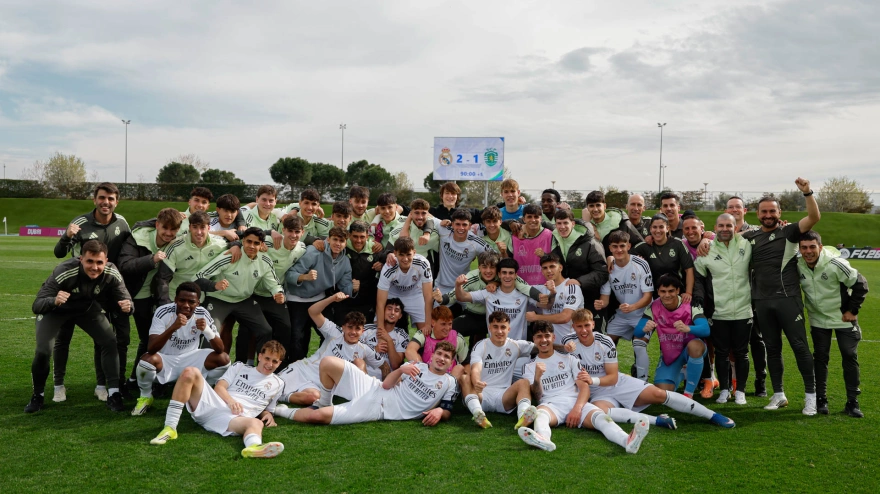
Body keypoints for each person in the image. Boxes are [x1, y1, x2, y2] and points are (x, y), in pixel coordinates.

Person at [564, 309, 735, 428]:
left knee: (659, 394)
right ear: (573, 327)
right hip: (595, 393)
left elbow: (613, 377)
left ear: (593, 324)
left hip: (615, 383)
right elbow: (555, 348)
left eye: (586, 325)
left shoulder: (605, 342)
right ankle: (657, 421)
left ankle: (712, 415)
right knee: (600, 411)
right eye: (579, 326)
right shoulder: (568, 342)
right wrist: (564, 348)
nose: (583, 330)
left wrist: (591, 379)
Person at [741, 178, 820, 414]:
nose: (768, 215)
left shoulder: (790, 232)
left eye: (772, 211)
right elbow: (722, 238)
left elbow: (814, 218)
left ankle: (811, 397)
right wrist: (706, 240)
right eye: (764, 211)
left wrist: (807, 193)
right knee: (772, 349)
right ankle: (779, 394)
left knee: (799, 347)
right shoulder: (749, 237)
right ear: (757, 213)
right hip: (762, 302)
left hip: (788, 300)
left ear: (779, 212)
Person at [25, 240, 133, 413]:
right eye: (90, 261)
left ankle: (114, 393)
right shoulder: (65, 270)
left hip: (86, 309)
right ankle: (37, 395)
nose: (95, 267)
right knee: (43, 349)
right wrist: (53, 300)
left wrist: (129, 306)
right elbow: (37, 305)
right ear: (81, 259)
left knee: (109, 341)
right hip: (57, 310)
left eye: (99, 262)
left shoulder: (112, 271)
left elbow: (126, 298)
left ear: (106, 261)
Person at [516, 321, 650, 454]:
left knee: (602, 418)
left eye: (547, 335)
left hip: (576, 401)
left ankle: (627, 440)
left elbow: (584, 388)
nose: (543, 340)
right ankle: (543, 439)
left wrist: (577, 409)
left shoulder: (569, 358)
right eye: (539, 336)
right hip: (551, 405)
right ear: (534, 339)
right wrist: (537, 378)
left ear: (553, 337)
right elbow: (537, 396)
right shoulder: (529, 366)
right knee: (540, 415)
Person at [51, 182, 131, 403]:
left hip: (105, 288)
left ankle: (100, 385)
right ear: (94, 199)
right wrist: (66, 236)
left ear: (117, 201)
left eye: (111, 199)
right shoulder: (80, 223)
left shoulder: (122, 223)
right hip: (74, 288)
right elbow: (59, 253)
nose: (106, 202)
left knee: (103, 338)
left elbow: (129, 250)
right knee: (63, 338)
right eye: (102, 198)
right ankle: (59, 385)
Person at [149, 340, 287, 459]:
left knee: (256, 423)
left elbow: (269, 408)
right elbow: (219, 387)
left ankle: (253, 448)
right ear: (260, 356)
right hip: (212, 404)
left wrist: (268, 414)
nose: (270, 364)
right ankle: (170, 427)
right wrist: (231, 401)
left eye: (275, 361)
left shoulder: (279, 383)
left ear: (279, 363)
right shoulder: (240, 367)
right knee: (190, 371)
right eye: (267, 358)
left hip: (235, 418)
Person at [273, 342, 458, 427]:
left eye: (447, 357)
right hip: (374, 387)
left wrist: (440, 411)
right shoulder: (416, 366)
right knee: (328, 362)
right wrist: (401, 370)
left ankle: (278, 410)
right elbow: (386, 385)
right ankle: (324, 401)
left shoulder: (449, 383)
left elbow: (448, 410)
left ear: (451, 363)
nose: (442, 359)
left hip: (378, 410)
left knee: (318, 417)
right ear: (432, 355)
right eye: (439, 354)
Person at [132, 282, 230, 416]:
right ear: (175, 300)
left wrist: (207, 330)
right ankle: (146, 396)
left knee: (223, 359)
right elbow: (152, 347)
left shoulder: (203, 313)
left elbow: (220, 348)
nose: (186, 305)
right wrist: (173, 327)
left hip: (191, 360)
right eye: (182, 300)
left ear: (198, 303)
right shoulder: (163, 312)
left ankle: (201, 390)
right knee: (146, 361)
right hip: (166, 360)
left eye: (191, 302)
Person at [797, 231, 868, 418]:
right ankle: (821, 399)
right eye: (804, 247)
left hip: (842, 318)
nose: (808, 251)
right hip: (818, 319)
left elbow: (861, 284)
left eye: (812, 247)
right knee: (820, 357)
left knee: (849, 354)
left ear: (820, 247)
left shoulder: (836, 264)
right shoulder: (797, 265)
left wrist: (852, 311)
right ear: (799, 249)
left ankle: (852, 401)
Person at [277, 292, 387, 406]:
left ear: (362, 331)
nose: (353, 332)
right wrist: (332, 298)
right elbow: (312, 311)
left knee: (313, 397)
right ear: (343, 327)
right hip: (303, 370)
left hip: (318, 384)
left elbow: (385, 366)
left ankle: (283, 397)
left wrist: (386, 387)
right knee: (272, 388)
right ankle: (278, 394)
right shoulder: (334, 332)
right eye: (350, 327)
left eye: (357, 329)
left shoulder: (364, 349)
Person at [195, 227, 284, 363]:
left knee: (265, 330)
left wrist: (278, 293)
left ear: (261, 245)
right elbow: (198, 276)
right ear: (243, 241)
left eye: (256, 243)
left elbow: (273, 283)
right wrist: (214, 285)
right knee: (211, 332)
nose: (252, 246)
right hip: (220, 298)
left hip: (244, 300)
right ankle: (205, 370)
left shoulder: (265, 260)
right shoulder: (229, 256)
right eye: (249, 242)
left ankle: (261, 369)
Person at [118, 208, 183, 392]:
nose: (169, 233)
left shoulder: (177, 241)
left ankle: (134, 379)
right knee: (119, 340)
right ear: (157, 225)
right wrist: (152, 259)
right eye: (165, 228)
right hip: (126, 294)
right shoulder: (138, 237)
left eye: (173, 230)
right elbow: (124, 265)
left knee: (148, 339)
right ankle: (117, 383)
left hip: (150, 297)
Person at [694, 213, 753, 405]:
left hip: (744, 310)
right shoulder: (706, 250)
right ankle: (725, 390)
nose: (725, 229)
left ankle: (740, 391)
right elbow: (698, 277)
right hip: (719, 312)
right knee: (721, 352)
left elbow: (762, 232)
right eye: (721, 225)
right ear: (715, 227)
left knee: (742, 352)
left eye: (729, 225)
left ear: (736, 227)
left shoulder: (746, 244)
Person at [634, 274, 710, 398]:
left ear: (678, 291)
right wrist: (644, 329)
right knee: (662, 392)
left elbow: (706, 329)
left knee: (695, 345)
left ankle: (688, 393)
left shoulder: (690, 304)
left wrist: (688, 328)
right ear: (658, 292)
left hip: (690, 349)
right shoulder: (654, 307)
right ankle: (682, 373)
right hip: (670, 354)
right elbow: (637, 333)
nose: (667, 295)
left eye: (671, 291)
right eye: (663, 291)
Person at [285, 226, 353, 362]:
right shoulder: (314, 252)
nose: (338, 244)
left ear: (346, 242)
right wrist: (304, 277)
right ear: (328, 239)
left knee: (330, 334)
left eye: (342, 240)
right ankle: (296, 367)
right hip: (297, 299)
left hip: (319, 299)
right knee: (298, 337)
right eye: (334, 239)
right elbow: (290, 275)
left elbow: (345, 288)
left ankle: (323, 364)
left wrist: (353, 287)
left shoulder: (345, 261)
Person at [460, 311, 537, 429]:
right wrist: (477, 383)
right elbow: (475, 369)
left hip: (504, 397)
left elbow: (543, 346)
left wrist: (564, 348)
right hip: (481, 395)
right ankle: (478, 414)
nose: (499, 331)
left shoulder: (515, 345)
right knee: (465, 377)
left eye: (503, 327)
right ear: (489, 327)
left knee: (524, 382)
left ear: (509, 329)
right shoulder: (481, 345)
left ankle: (523, 417)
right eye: (495, 327)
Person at [595, 231, 653, 381]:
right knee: (605, 342)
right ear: (610, 248)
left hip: (643, 313)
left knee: (639, 344)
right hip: (622, 314)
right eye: (615, 247)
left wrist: (633, 307)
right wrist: (601, 303)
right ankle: (607, 378)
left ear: (629, 246)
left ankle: (642, 382)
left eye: (622, 246)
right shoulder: (609, 268)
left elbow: (648, 296)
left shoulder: (641, 264)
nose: (619, 250)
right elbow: (605, 298)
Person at [725, 195, 767, 395]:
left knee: (756, 340)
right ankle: (731, 383)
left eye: (737, 207)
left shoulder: (757, 233)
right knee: (731, 344)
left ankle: (761, 380)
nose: (734, 209)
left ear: (745, 210)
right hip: (730, 297)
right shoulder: (721, 233)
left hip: (754, 294)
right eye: (730, 207)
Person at [454, 258, 544, 342]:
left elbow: (546, 305)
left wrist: (552, 294)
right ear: (499, 275)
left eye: (511, 273)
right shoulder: (489, 292)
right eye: (504, 273)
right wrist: (458, 285)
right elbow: (462, 297)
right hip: (495, 349)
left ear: (516, 275)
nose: (507, 276)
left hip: (519, 349)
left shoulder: (524, 294)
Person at [154, 211, 229, 305]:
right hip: (176, 297)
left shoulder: (219, 244)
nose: (199, 232)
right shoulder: (175, 246)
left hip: (202, 298)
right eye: (195, 227)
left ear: (208, 228)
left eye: (202, 227)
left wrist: (235, 246)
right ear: (189, 228)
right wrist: (164, 303)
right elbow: (162, 278)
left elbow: (239, 246)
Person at [550, 209, 608, 330]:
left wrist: (580, 281)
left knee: (593, 338)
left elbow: (602, 272)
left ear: (573, 223)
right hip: (567, 300)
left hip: (591, 300)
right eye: (559, 223)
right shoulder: (555, 239)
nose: (562, 227)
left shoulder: (590, 243)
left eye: (565, 223)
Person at [631, 214, 695, 303]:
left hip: (675, 295)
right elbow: (624, 257)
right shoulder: (644, 247)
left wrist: (688, 293)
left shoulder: (677, 244)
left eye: (661, 227)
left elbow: (689, 269)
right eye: (654, 227)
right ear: (650, 229)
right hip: (652, 297)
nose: (658, 231)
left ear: (667, 228)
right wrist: (611, 258)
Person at [376, 237, 434, 335]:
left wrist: (428, 324)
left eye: (408, 254)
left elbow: (428, 297)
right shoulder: (388, 268)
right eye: (401, 255)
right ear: (395, 253)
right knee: (379, 325)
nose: (405, 259)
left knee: (427, 331)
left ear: (414, 252)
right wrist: (380, 329)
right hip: (393, 294)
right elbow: (380, 303)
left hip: (415, 294)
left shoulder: (423, 263)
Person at [434, 208, 492, 301]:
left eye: (464, 225)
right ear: (452, 224)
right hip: (442, 286)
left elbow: (496, 257)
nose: (461, 228)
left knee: (468, 313)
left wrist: (494, 282)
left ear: (470, 226)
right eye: (457, 224)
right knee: (439, 314)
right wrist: (427, 233)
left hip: (465, 287)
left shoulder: (476, 242)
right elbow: (427, 216)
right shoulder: (444, 230)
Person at [336, 220, 388, 324]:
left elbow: (388, 257)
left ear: (367, 236)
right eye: (355, 236)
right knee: (341, 335)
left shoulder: (375, 250)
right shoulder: (341, 248)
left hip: (367, 303)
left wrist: (382, 264)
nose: (359, 240)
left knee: (365, 335)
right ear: (349, 235)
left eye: (362, 237)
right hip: (343, 301)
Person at [527, 253, 585, 343]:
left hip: (571, 346)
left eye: (552, 266)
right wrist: (497, 284)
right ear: (542, 271)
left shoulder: (571, 287)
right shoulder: (540, 289)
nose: (549, 270)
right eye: (545, 268)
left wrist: (536, 317)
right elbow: (517, 286)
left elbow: (565, 317)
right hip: (549, 346)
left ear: (560, 268)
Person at [405, 306, 469, 379]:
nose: (447, 328)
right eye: (443, 324)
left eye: (450, 324)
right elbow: (409, 351)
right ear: (433, 322)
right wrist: (423, 370)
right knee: (413, 361)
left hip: (448, 378)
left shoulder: (457, 338)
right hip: (426, 374)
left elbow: (466, 363)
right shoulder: (424, 333)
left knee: (459, 368)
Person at [360, 298, 410, 379]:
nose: (392, 313)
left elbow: (395, 365)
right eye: (389, 309)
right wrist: (374, 350)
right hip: (365, 374)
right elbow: (354, 353)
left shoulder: (402, 335)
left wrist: (389, 340)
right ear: (382, 311)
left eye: (396, 310)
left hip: (387, 379)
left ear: (400, 316)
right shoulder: (367, 329)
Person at [583, 190, 643, 254]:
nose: (595, 209)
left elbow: (640, 244)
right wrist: (589, 225)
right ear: (587, 208)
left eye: (598, 205)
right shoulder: (584, 225)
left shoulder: (621, 222)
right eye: (591, 206)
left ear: (604, 206)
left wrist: (621, 257)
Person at [506, 204, 552, 285]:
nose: (533, 220)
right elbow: (508, 261)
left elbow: (557, 260)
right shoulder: (515, 237)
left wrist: (544, 255)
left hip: (545, 285)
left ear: (541, 218)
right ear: (524, 219)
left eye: (536, 217)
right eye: (529, 217)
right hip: (520, 286)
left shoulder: (549, 235)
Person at [391, 199, 439, 274]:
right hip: (400, 275)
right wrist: (388, 255)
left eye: (423, 213)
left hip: (422, 276)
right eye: (416, 213)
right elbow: (389, 250)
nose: (420, 217)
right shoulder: (400, 227)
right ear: (411, 214)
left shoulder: (434, 234)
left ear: (428, 214)